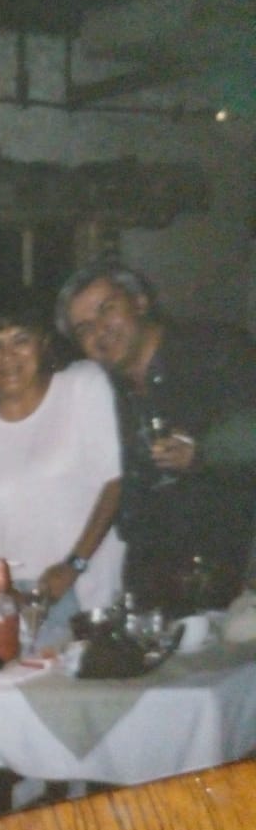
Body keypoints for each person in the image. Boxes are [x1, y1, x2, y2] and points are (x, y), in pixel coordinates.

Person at [56, 261, 256, 611]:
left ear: (139, 301)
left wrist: (201, 453)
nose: (100, 330)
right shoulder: (101, 388)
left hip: (234, 567)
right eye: (84, 328)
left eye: (107, 309)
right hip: (153, 577)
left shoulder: (214, 351)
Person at [0, 296, 124, 637]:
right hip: (20, 610)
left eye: (20, 340)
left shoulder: (82, 385)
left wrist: (73, 565)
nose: (7, 357)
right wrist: (3, 592)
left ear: (44, 343)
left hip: (91, 594)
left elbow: (115, 482)